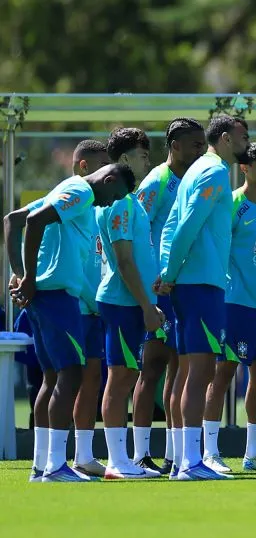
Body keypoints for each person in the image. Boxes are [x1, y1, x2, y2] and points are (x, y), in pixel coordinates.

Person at [5, 163, 137, 482]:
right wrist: (30, 278)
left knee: (52, 378)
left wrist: (21, 275)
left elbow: (13, 220)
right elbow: (33, 221)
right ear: (108, 180)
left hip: (46, 295)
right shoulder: (82, 192)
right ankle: (55, 467)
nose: (110, 203)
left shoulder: (67, 189)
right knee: (71, 374)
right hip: (56, 296)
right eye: (114, 194)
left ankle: (41, 466)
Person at [158, 114, 249, 481]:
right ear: (225, 139)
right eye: (244, 136)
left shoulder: (197, 170)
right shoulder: (212, 172)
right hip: (200, 285)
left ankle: (184, 460)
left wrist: (168, 271)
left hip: (193, 283)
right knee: (200, 374)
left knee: (186, 374)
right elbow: (186, 226)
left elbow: (171, 226)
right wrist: (170, 273)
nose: (247, 142)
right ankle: (191, 463)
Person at [134, 117, 206, 475]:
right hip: (159, 289)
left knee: (179, 368)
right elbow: (135, 227)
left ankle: (174, 453)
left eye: (203, 144)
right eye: (195, 144)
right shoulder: (158, 181)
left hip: (182, 285)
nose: (201, 150)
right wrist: (150, 283)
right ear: (174, 146)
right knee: (153, 367)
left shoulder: (195, 179)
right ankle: (139, 454)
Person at [203, 142, 256, 473]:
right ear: (244, 168)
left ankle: (253, 452)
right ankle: (209, 451)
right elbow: (217, 249)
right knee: (222, 376)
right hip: (236, 306)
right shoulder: (232, 204)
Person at [95, 162, 165, 479]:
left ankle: (121, 459)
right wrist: (146, 306)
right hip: (122, 303)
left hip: (131, 304)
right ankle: (116, 461)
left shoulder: (125, 200)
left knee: (126, 375)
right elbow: (124, 261)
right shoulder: (120, 202)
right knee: (120, 378)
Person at [70, 140, 111, 477]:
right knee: (66, 381)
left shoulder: (97, 210)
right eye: (99, 168)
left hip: (94, 309)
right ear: (83, 167)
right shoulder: (67, 206)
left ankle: (83, 454)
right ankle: (53, 456)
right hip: (76, 308)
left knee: (92, 378)